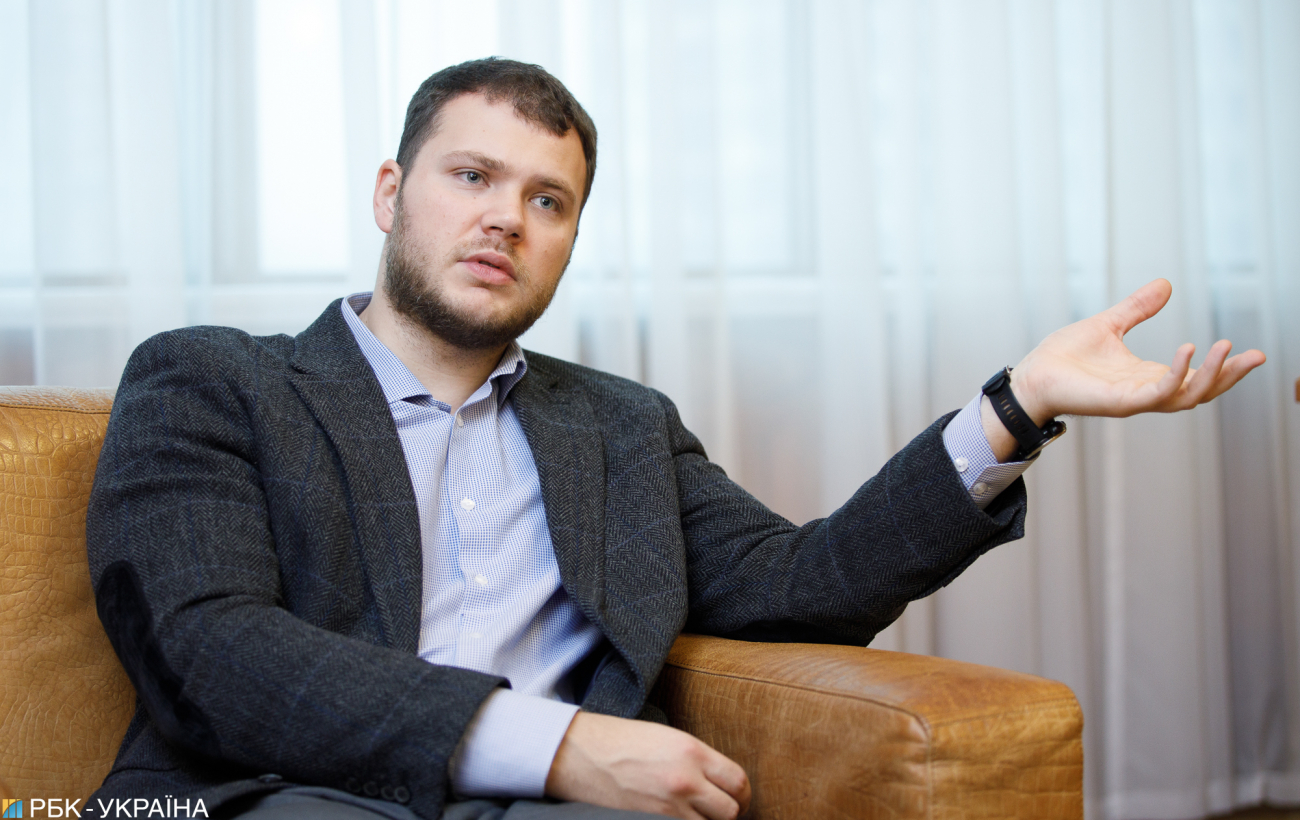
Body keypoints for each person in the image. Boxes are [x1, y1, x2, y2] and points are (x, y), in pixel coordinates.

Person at [85, 58, 1265, 820]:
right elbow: (207, 647)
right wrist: (558, 744)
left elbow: (804, 584)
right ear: (392, 193)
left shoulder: (618, 426)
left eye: (547, 200)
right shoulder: (212, 379)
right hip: (280, 794)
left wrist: (1017, 401)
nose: (505, 217)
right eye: (472, 175)